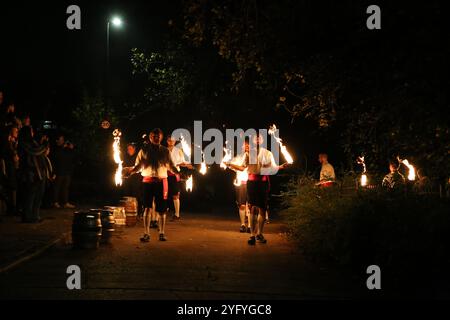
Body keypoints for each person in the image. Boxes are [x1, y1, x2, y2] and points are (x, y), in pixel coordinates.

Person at [126, 128, 178, 242]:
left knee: (162, 210)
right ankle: (146, 233)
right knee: (147, 208)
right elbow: (138, 166)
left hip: (162, 181)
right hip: (147, 182)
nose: (156, 138)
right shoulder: (143, 150)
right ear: (150, 137)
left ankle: (162, 233)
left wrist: (179, 173)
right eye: (154, 136)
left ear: (161, 137)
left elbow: (171, 166)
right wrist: (130, 172)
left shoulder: (165, 151)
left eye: (158, 136)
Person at [245, 133, 288, 245]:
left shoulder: (268, 153)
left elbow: (272, 168)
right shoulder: (248, 153)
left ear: (263, 140)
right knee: (252, 208)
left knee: (263, 208)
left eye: (260, 138)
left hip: (263, 183)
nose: (258, 139)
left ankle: (259, 233)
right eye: (255, 138)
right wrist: (231, 165)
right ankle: (252, 235)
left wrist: (280, 167)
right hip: (252, 183)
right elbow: (243, 166)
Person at [18, 126, 53, 223]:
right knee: (31, 195)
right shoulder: (24, 143)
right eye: (31, 131)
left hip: (39, 172)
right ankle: (28, 216)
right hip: (31, 172)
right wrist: (44, 145)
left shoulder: (33, 142)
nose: (33, 132)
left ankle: (35, 215)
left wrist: (44, 145)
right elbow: (35, 151)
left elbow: (40, 152)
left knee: (39, 195)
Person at [225, 137, 251, 233]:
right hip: (241, 182)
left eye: (248, 145)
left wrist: (230, 164)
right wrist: (227, 164)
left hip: (251, 182)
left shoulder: (253, 156)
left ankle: (250, 226)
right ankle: (243, 225)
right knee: (242, 205)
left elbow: (242, 168)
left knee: (250, 205)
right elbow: (232, 166)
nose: (246, 146)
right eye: (244, 145)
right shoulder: (238, 157)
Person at [166, 135, 193, 221]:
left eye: (173, 140)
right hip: (164, 174)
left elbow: (182, 162)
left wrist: (186, 164)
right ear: (167, 141)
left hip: (174, 175)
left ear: (175, 142)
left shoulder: (178, 151)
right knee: (163, 195)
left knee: (175, 195)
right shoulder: (163, 150)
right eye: (169, 140)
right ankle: (161, 213)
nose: (171, 142)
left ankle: (177, 214)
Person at [52, 134, 76, 209]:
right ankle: (55, 202)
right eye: (61, 139)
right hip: (59, 171)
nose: (62, 141)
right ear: (57, 140)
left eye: (63, 140)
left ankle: (65, 202)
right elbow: (56, 156)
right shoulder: (56, 148)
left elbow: (72, 157)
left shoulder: (66, 149)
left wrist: (71, 148)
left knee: (65, 187)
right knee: (57, 187)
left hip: (67, 171)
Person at [3, 126, 20, 215]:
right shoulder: (8, 143)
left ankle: (13, 207)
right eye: (15, 131)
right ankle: (12, 208)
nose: (17, 133)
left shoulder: (13, 143)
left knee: (14, 187)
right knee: (12, 187)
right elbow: (12, 156)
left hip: (14, 167)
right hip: (10, 167)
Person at [123, 143, 142, 217]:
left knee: (136, 195)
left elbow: (139, 166)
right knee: (127, 194)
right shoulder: (125, 157)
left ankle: (139, 211)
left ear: (134, 149)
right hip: (127, 179)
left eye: (130, 149)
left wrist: (131, 169)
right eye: (128, 149)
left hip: (136, 178)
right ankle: (128, 211)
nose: (129, 150)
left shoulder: (138, 156)